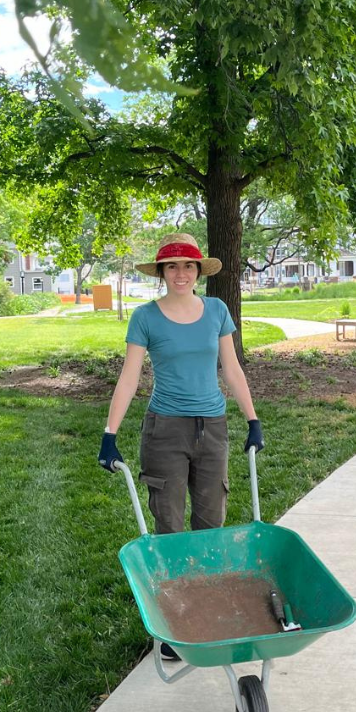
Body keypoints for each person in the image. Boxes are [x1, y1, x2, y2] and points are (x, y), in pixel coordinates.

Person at [98, 231, 264, 550]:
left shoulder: (217, 311)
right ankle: (173, 590)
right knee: (169, 523)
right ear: (161, 271)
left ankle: (203, 584)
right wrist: (110, 435)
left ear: (198, 271)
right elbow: (129, 378)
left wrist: (253, 421)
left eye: (189, 266)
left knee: (211, 522)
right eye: (172, 266)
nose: (181, 274)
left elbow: (231, 369)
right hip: (165, 430)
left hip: (212, 428)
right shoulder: (145, 317)